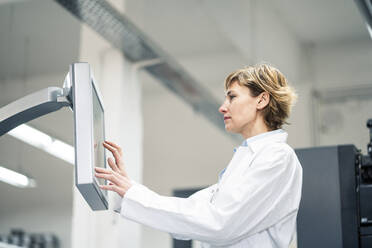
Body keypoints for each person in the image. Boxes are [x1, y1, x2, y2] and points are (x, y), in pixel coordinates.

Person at [95, 63, 303, 248]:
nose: (223, 107)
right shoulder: (247, 158)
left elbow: (219, 224)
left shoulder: (277, 157)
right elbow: (189, 217)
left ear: (262, 100)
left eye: (232, 97)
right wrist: (127, 189)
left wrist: (133, 193)